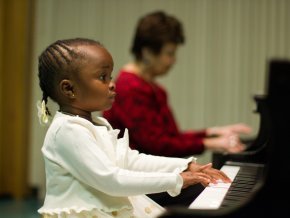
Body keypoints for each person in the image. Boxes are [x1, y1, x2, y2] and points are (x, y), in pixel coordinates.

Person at [36, 38, 231, 218]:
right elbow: (111, 180)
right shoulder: (68, 131)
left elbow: (130, 160)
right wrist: (177, 179)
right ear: (69, 89)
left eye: (110, 76)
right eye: (103, 77)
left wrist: (184, 166)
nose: (112, 84)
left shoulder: (97, 125)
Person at [103, 10, 252, 158]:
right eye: (169, 53)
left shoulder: (155, 89)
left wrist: (212, 133)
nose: (174, 60)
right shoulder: (129, 87)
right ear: (147, 52)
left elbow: (171, 137)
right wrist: (210, 143)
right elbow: (156, 145)